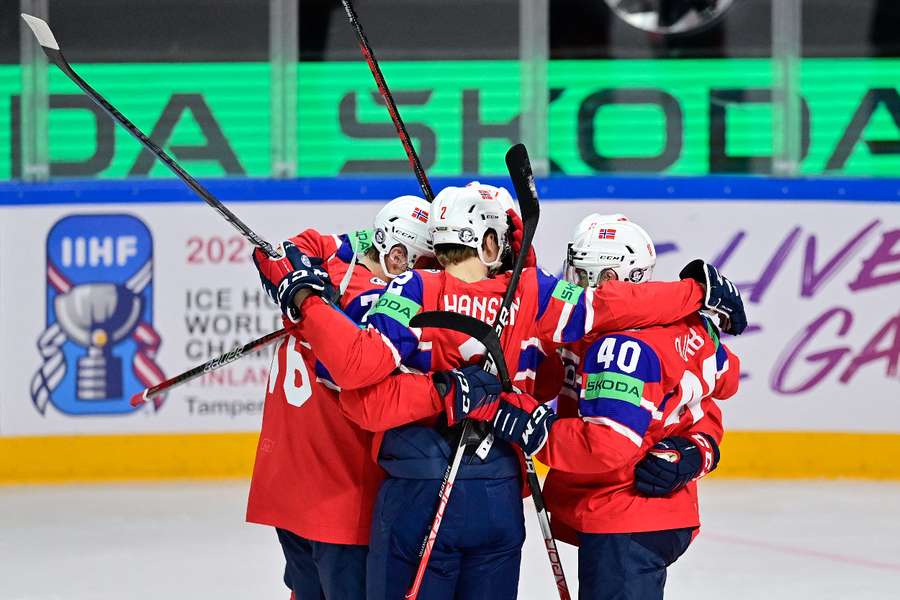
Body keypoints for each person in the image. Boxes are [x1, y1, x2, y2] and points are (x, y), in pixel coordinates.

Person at [264, 183, 746, 599]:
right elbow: (598, 319)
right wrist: (694, 295)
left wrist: (305, 298)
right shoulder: (532, 292)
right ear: (493, 242)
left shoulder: (414, 288)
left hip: (420, 489)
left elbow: (360, 391)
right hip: (498, 493)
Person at [468, 213, 741, 600]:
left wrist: (529, 426)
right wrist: (702, 450)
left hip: (624, 509)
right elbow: (704, 396)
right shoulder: (687, 328)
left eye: (582, 275)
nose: (574, 285)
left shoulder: (619, 348)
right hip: (656, 512)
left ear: (611, 280)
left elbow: (604, 446)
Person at [245, 195, 433, 599]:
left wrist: (299, 288)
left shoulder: (328, 272)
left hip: (290, 483)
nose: (431, 273)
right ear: (399, 257)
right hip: (343, 488)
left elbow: (283, 252)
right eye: (425, 262)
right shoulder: (389, 301)